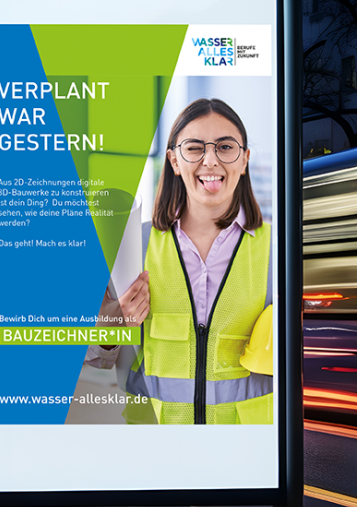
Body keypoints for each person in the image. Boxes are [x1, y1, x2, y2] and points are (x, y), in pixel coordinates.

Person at [89, 98, 273, 425]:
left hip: (246, 455)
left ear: (244, 160)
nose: (211, 161)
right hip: (156, 452)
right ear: (174, 160)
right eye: (195, 148)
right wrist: (111, 325)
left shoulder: (276, 251)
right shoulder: (135, 245)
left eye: (226, 147)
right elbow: (95, 358)